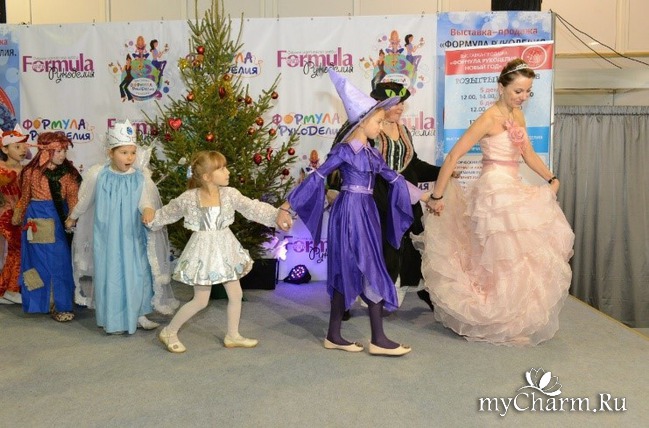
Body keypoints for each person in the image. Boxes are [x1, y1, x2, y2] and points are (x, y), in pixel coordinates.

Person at [415, 58, 575, 346]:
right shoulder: (489, 118)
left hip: (512, 185)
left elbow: (527, 154)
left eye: (527, 92)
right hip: (493, 191)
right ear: (501, 87)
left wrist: (551, 177)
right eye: (518, 91)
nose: (523, 97)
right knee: (501, 257)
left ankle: (512, 320)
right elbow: (453, 156)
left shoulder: (518, 116)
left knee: (518, 256)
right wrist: (437, 195)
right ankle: (497, 318)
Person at [278, 69, 427, 357]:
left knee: (364, 266)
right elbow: (317, 177)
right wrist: (287, 206)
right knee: (362, 266)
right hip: (348, 213)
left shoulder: (372, 153)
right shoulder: (344, 151)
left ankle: (336, 334)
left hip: (367, 213)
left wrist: (425, 196)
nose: (381, 127)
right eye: (378, 121)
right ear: (362, 121)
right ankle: (374, 338)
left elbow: (395, 179)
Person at [147, 150, 291, 353]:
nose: (227, 172)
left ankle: (232, 335)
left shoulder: (230, 194)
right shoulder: (189, 198)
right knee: (200, 300)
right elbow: (168, 213)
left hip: (225, 249)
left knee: (236, 294)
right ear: (207, 176)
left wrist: (276, 215)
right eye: (221, 169)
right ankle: (169, 332)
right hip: (203, 252)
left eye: (225, 167)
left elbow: (252, 208)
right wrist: (150, 217)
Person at [329, 81, 443, 316]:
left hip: (402, 195)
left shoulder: (403, 130)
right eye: (395, 103)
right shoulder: (360, 127)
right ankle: (345, 299)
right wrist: (332, 189)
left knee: (411, 245)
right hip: (372, 197)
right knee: (365, 249)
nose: (400, 107)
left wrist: (442, 172)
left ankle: (415, 290)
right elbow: (337, 161)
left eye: (402, 103)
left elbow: (412, 166)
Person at [66, 120, 178, 334]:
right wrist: (73, 217)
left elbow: (145, 201)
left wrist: (148, 210)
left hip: (131, 235)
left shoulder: (140, 178)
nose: (129, 157)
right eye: (124, 153)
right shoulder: (99, 175)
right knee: (112, 275)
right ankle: (113, 319)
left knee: (138, 273)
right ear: (111, 153)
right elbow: (86, 200)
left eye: (132, 152)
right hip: (107, 236)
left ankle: (139, 313)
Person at [12, 132, 81, 321]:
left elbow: (73, 198)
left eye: (64, 151)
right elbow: (25, 196)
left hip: (58, 220)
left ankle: (61, 304)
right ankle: (40, 302)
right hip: (35, 220)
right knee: (36, 262)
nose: (62, 155)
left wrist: (72, 217)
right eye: (58, 151)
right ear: (45, 152)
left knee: (60, 262)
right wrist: (18, 212)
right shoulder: (31, 172)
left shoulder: (68, 174)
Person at [0, 126, 29, 305]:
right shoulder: (2, 170)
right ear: (5, 149)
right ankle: (11, 289)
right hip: (6, 216)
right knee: (17, 249)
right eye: (17, 147)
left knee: (17, 251)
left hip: (22, 216)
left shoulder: (26, 169)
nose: (22, 150)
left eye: (24, 146)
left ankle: (6, 289)